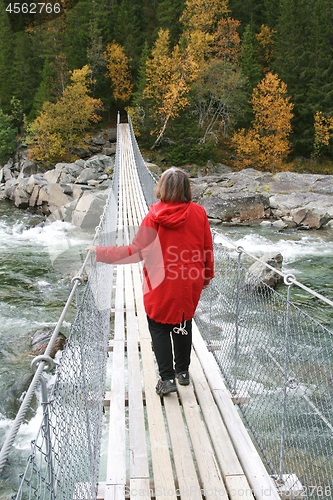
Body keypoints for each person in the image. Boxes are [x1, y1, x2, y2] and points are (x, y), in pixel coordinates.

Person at [87, 167, 214, 396]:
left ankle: (167, 379)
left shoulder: (153, 216)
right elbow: (207, 248)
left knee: (159, 327)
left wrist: (100, 252)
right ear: (186, 188)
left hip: (160, 282)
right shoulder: (199, 213)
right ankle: (183, 372)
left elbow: (135, 251)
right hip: (189, 281)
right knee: (183, 323)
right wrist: (206, 276)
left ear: (162, 188)